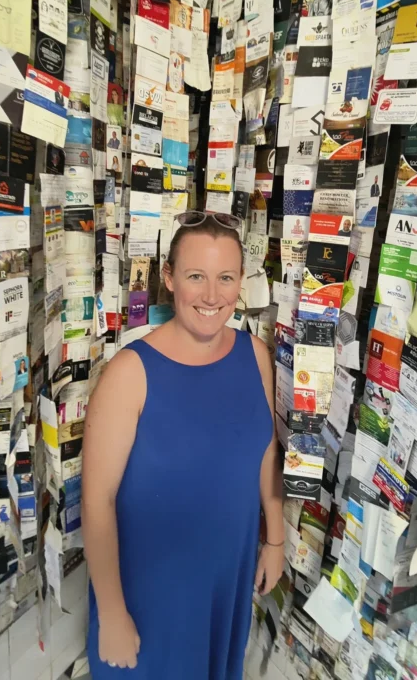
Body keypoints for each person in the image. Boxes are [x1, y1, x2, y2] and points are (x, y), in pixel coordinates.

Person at [83, 211, 283, 677]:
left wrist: (275, 540)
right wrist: (111, 612)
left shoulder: (255, 356)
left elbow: (266, 451)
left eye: (225, 277)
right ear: (169, 278)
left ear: (240, 281)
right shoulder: (129, 373)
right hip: (152, 595)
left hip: (226, 579)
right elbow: (96, 501)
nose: (212, 295)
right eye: (196, 276)